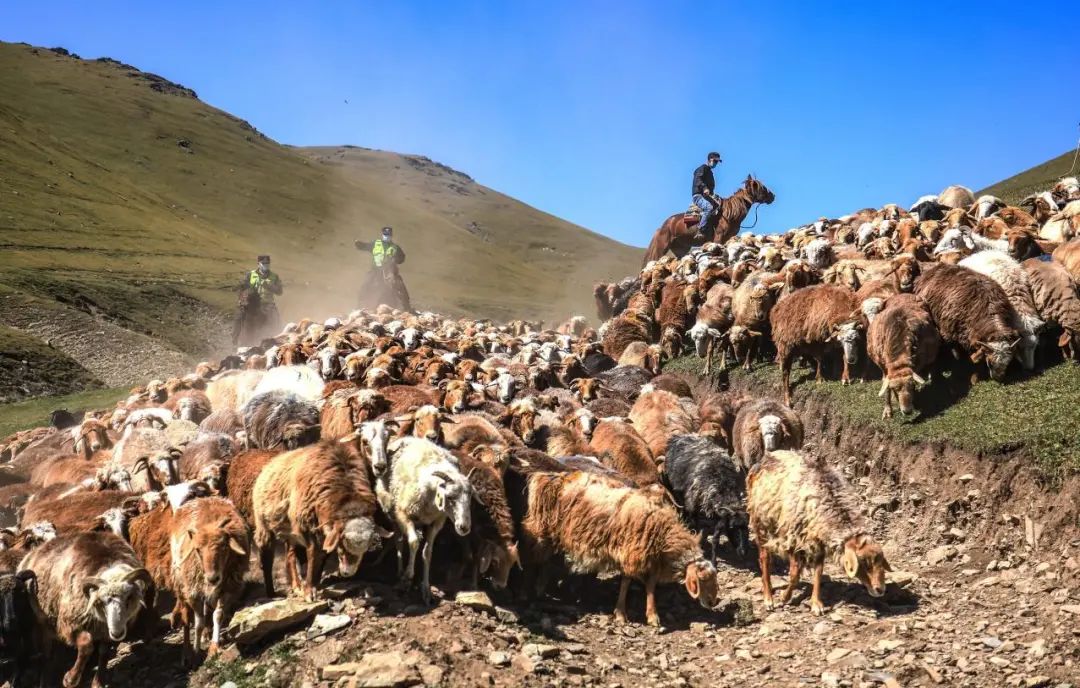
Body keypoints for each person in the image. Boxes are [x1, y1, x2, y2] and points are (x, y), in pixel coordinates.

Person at [354, 226, 411, 311]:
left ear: (391, 235)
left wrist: (396, 259)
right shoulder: (375, 244)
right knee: (366, 284)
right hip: (375, 269)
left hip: (389, 271)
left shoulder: (395, 247)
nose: (387, 236)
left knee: (399, 285)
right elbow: (365, 246)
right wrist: (359, 244)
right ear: (382, 234)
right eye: (385, 234)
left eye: (388, 235)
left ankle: (407, 306)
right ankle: (360, 306)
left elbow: (402, 258)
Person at [232, 254, 283, 345]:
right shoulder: (250, 274)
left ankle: (277, 339)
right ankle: (234, 339)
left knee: (275, 319)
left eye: (267, 263)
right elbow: (243, 286)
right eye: (263, 263)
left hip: (267, 304)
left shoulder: (274, 276)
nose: (265, 265)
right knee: (239, 317)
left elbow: (279, 292)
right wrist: (241, 292)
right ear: (258, 264)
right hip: (252, 303)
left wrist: (268, 286)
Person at [691, 151, 723, 240]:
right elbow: (698, 179)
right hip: (698, 196)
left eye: (717, 162)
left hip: (707, 196)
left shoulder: (710, 172)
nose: (716, 164)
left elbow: (710, 189)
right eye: (715, 161)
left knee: (720, 207)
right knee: (708, 207)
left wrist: (714, 195)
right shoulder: (702, 168)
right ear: (709, 160)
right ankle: (700, 230)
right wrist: (704, 188)